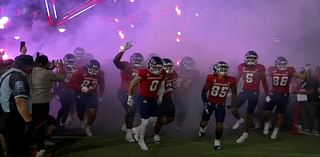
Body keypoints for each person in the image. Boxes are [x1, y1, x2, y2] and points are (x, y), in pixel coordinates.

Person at [127, 56, 166, 150]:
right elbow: (132, 84)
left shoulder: (163, 73)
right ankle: (141, 141)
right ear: (150, 65)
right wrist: (130, 97)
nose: (157, 69)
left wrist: (160, 96)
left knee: (153, 119)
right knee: (145, 121)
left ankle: (136, 130)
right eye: (155, 67)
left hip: (153, 98)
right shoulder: (144, 72)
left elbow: (161, 86)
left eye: (158, 67)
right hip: (144, 98)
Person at [230, 51, 269, 143]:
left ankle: (245, 133)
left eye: (253, 59)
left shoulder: (260, 67)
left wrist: (267, 94)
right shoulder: (241, 66)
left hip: (254, 93)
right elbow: (237, 79)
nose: (251, 60)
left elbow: (264, 82)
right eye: (249, 58)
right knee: (233, 108)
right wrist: (232, 90)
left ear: (256, 60)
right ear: (246, 59)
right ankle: (239, 119)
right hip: (244, 92)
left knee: (249, 114)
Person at [263, 56, 306, 139]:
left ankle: (276, 130)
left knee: (280, 115)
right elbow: (263, 76)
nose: (282, 66)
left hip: (284, 95)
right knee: (266, 113)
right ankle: (267, 123)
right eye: (281, 64)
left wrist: (306, 71)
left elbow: (303, 77)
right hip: (273, 94)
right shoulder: (272, 69)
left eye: (284, 64)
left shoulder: (290, 70)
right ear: (276, 64)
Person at [0, 55, 34, 157]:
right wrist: (28, 121)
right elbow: (20, 100)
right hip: (14, 119)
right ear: (27, 67)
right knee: (18, 151)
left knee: (12, 149)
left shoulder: (7, 74)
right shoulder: (18, 77)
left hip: (7, 117)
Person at [198, 61, 237, 150]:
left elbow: (234, 93)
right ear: (216, 70)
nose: (224, 70)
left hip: (221, 104)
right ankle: (202, 129)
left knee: (219, 125)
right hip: (210, 103)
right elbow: (204, 91)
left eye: (225, 69)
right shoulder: (211, 78)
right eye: (221, 68)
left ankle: (217, 140)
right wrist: (205, 102)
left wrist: (233, 104)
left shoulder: (231, 80)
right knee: (203, 123)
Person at [31, 54, 65, 155]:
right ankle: (40, 148)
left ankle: (40, 143)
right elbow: (62, 78)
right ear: (45, 63)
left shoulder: (31, 71)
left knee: (37, 123)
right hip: (42, 103)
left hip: (31, 103)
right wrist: (61, 67)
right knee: (41, 125)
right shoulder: (48, 73)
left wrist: (51, 68)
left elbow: (43, 71)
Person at [113, 42, 144, 142]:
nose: (138, 62)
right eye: (136, 60)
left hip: (137, 93)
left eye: (140, 61)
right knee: (131, 111)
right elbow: (116, 61)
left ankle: (128, 126)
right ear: (131, 60)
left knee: (134, 112)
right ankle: (129, 132)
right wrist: (123, 50)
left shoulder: (144, 69)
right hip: (124, 92)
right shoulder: (126, 66)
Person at [69, 59, 105, 136]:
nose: (94, 71)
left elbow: (102, 84)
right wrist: (80, 88)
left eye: (96, 69)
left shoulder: (101, 73)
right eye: (92, 69)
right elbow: (71, 83)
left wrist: (101, 95)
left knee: (93, 112)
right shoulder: (80, 71)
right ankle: (82, 120)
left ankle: (88, 127)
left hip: (92, 94)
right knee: (80, 112)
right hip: (80, 94)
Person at [153, 58, 178, 144]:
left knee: (171, 118)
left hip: (168, 98)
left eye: (169, 66)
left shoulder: (174, 73)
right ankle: (156, 134)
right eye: (166, 66)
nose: (168, 68)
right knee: (160, 118)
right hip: (158, 99)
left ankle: (157, 126)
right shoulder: (158, 75)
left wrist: (172, 88)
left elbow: (174, 84)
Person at [174, 56, 201, 130]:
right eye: (187, 64)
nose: (189, 65)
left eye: (190, 64)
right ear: (182, 64)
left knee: (184, 109)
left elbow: (197, 84)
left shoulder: (195, 72)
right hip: (172, 93)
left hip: (184, 94)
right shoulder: (176, 69)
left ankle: (178, 125)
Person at [56, 53, 77, 127]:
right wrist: (56, 93)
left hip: (72, 90)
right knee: (65, 107)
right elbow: (55, 82)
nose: (71, 63)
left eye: (72, 61)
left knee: (70, 107)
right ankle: (59, 121)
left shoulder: (76, 69)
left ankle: (63, 122)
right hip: (62, 90)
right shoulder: (60, 69)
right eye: (70, 62)